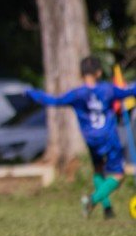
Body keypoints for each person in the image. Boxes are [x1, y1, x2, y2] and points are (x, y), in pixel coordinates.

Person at [27, 55, 136, 219]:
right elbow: (129, 91)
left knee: (98, 170)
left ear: (81, 74)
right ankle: (91, 200)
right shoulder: (108, 89)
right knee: (118, 176)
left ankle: (107, 209)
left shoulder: (77, 94)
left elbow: (54, 101)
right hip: (108, 137)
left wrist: (31, 93)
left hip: (91, 139)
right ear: (99, 73)